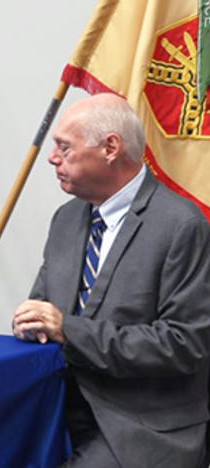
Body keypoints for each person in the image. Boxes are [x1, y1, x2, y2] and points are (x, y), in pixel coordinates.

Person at [12, 93, 210, 467]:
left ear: (111, 148)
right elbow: (43, 312)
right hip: (58, 405)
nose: (52, 157)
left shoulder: (181, 226)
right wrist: (31, 323)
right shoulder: (66, 220)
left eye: (64, 147)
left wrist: (68, 330)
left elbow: (184, 344)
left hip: (140, 426)